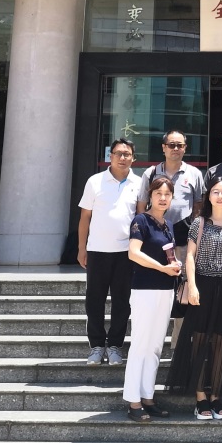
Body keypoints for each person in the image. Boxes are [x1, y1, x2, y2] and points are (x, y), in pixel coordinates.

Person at [166, 177, 222, 420]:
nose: (220, 196)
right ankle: (200, 398)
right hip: (202, 284)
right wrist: (192, 285)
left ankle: (216, 396)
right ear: (209, 195)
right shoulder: (199, 222)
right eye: (216, 192)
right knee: (198, 341)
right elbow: (189, 256)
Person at [77, 138, 143, 367]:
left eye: (127, 154)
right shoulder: (95, 181)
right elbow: (85, 217)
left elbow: (140, 218)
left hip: (126, 252)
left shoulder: (139, 183)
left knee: (122, 301)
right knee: (94, 300)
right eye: (118, 153)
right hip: (97, 250)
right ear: (110, 156)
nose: (122, 158)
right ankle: (96, 346)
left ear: (133, 158)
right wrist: (81, 248)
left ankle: (115, 346)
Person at [122, 175, 182, 422]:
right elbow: (133, 253)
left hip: (165, 290)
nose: (163, 198)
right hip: (145, 289)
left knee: (156, 346)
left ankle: (148, 397)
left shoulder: (168, 224)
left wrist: (174, 266)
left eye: (167, 194)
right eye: (159, 194)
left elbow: (166, 256)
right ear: (150, 196)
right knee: (140, 344)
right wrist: (162, 268)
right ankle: (133, 401)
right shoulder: (141, 221)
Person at [139, 130, 204, 350]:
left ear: (185, 148)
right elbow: (141, 205)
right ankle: (151, 344)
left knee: (182, 290)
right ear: (163, 147)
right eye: (172, 145)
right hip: (155, 241)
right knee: (156, 289)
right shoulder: (151, 173)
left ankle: (178, 346)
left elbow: (198, 205)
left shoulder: (194, 173)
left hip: (183, 242)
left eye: (180, 145)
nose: (176, 149)